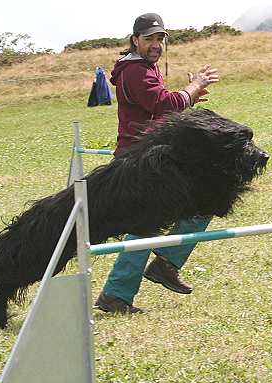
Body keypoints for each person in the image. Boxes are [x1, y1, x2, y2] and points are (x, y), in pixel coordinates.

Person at [94, 13, 220, 314]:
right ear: (135, 39)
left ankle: (120, 292)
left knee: (146, 225)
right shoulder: (136, 70)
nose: (155, 44)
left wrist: (187, 98)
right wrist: (192, 89)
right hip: (141, 160)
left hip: (145, 156)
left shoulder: (139, 68)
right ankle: (162, 265)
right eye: (149, 38)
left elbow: (157, 107)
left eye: (159, 38)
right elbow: (162, 103)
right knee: (203, 201)